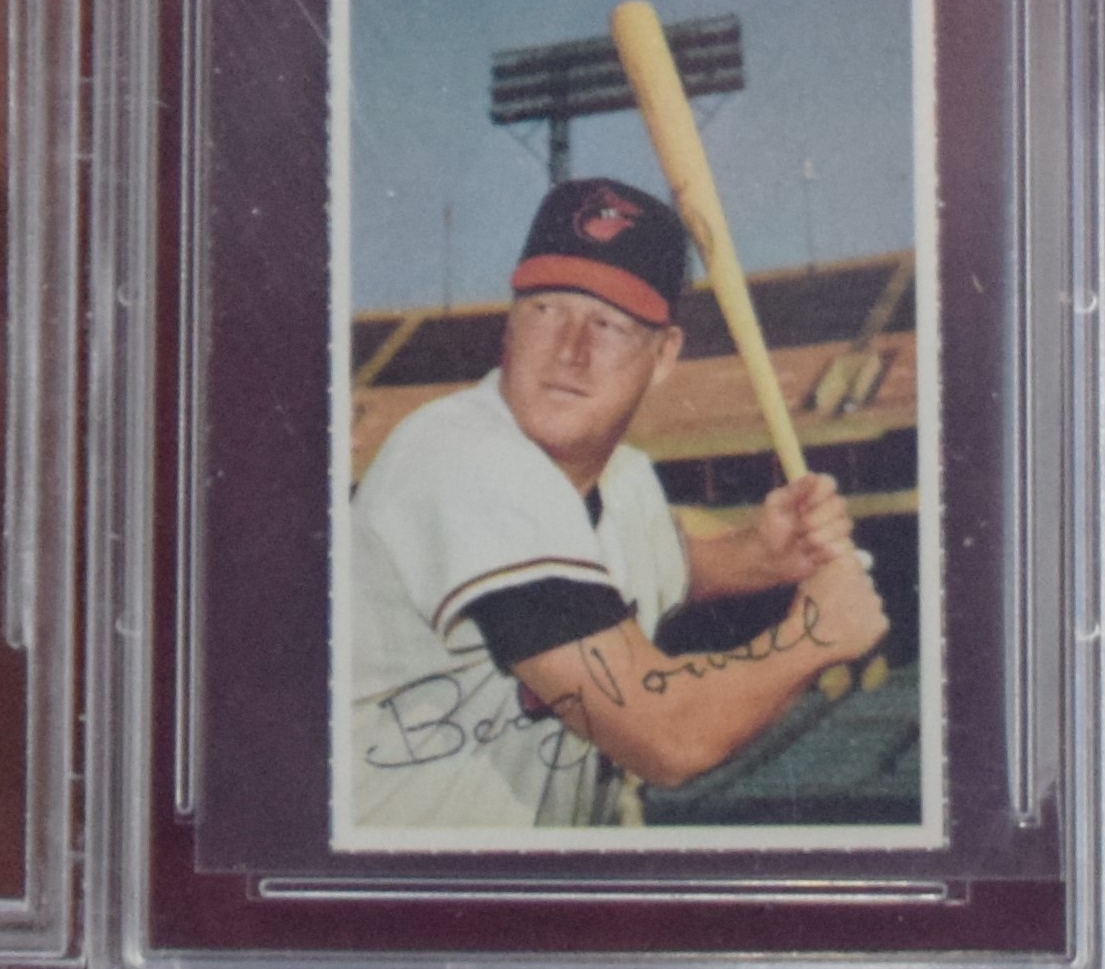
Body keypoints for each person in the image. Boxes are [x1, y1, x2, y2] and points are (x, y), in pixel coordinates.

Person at [347, 175, 888, 836]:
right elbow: (668, 737)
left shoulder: (626, 479)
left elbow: (654, 559)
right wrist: (814, 637)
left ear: (663, 356)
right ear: (510, 324)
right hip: (399, 881)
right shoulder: (461, 457)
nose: (570, 350)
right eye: (547, 308)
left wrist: (760, 553)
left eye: (608, 323)